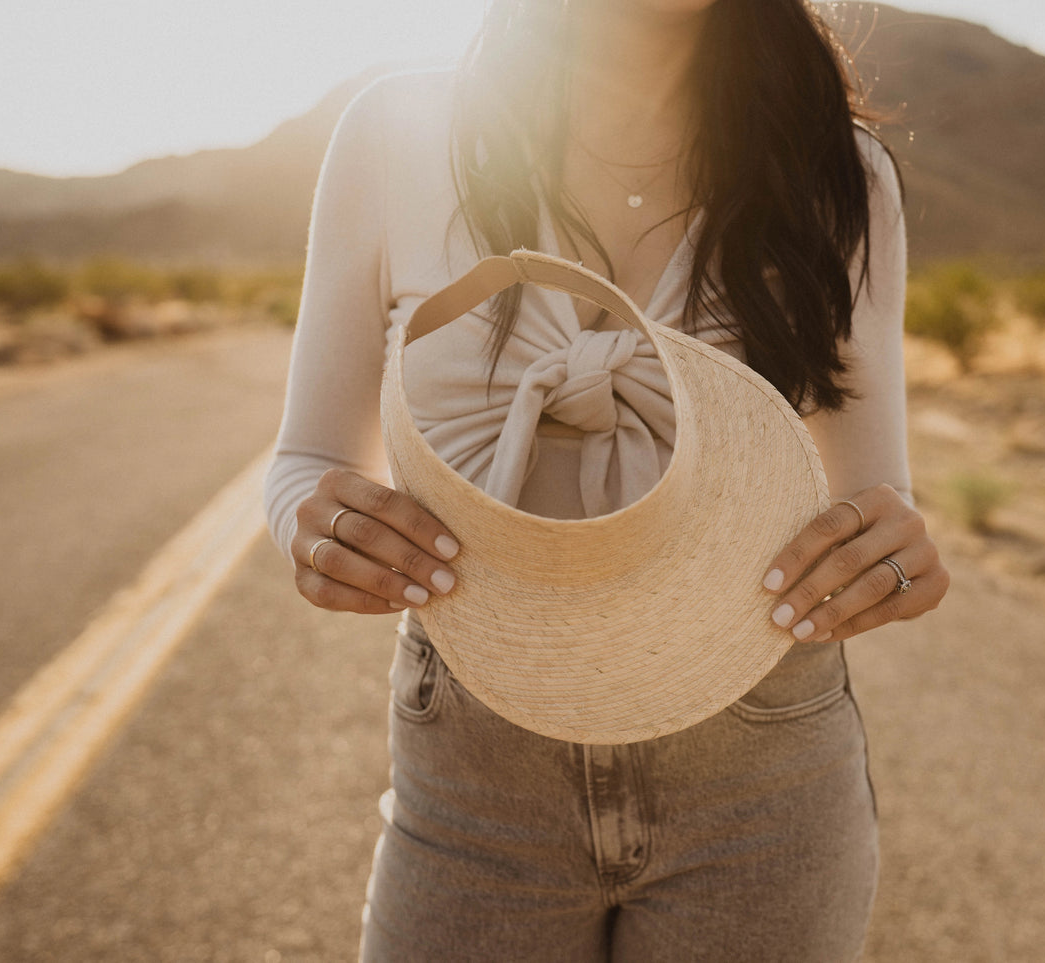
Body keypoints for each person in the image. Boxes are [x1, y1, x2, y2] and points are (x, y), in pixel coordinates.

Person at [263, 0, 949, 959]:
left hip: (763, 770)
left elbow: (878, 497)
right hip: (474, 773)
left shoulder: (841, 172)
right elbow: (308, 462)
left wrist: (894, 560)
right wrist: (313, 523)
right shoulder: (398, 132)